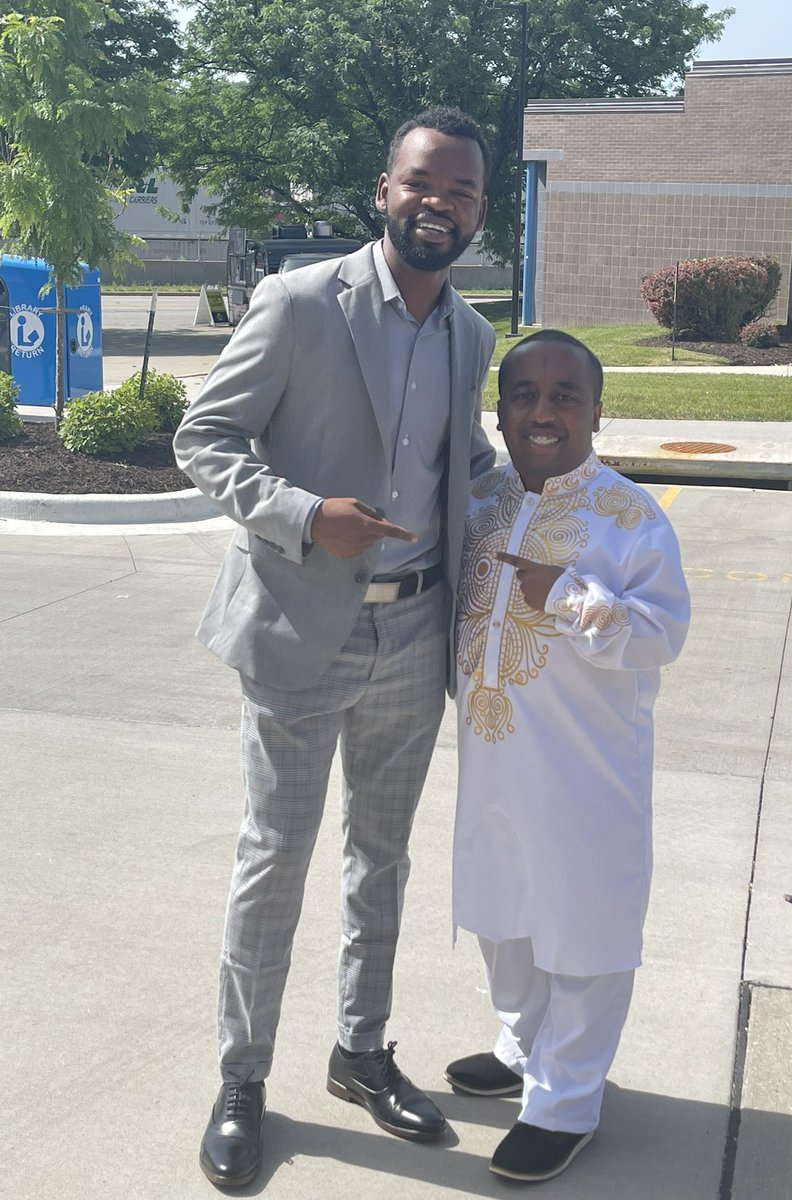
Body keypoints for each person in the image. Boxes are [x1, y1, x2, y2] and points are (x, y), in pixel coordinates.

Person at [173, 106, 495, 1189]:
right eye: (422, 183)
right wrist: (308, 514)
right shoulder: (302, 301)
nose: (438, 204)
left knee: (383, 859)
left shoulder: (472, 333)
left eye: (459, 192)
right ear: (383, 190)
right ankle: (242, 1076)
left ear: (478, 214)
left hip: (414, 630)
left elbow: (473, 463)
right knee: (275, 863)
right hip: (301, 629)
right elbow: (204, 436)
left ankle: (360, 1051)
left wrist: (574, 501)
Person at [445, 331, 690, 1183]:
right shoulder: (479, 502)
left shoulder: (629, 514)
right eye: (524, 394)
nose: (543, 412)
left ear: (595, 410)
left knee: (583, 929)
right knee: (504, 911)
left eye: (564, 396)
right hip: (495, 762)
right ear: (501, 408)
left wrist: (570, 597)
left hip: (586, 772)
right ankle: (520, 1049)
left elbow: (663, 633)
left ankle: (566, 1101)